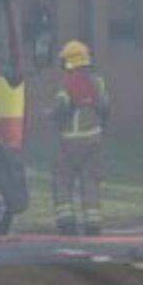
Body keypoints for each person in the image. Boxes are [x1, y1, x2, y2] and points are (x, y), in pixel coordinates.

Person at [50, 40, 110, 236]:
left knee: (62, 180)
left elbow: (61, 108)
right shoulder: (97, 81)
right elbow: (105, 108)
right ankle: (93, 224)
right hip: (94, 139)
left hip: (70, 141)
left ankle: (66, 222)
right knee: (90, 181)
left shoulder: (67, 83)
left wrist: (50, 115)